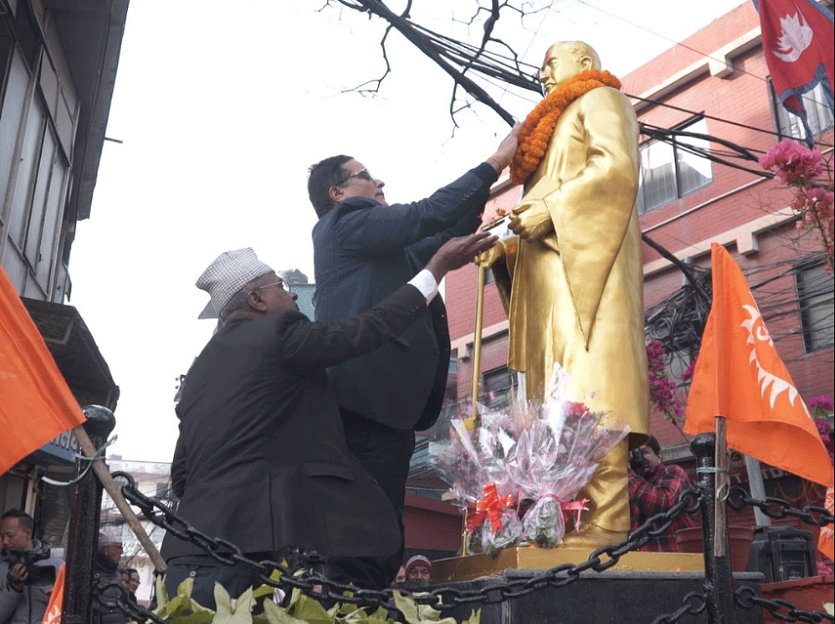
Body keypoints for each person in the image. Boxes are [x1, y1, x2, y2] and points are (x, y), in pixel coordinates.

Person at [161, 236, 496, 605]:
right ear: (256, 299)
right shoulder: (280, 334)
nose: (291, 297)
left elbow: (181, 475)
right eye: (282, 288)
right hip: (240, 562)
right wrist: (436, 269)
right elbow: (370, 329)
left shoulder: (199, 373)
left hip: (183, 556)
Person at [308, 126, 520, 581]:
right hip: (364, 403)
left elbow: (445, 230)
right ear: (338, 192)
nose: (380, 183)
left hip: (387, 410)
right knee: (367, 536)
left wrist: (482, 192)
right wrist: (496, 161)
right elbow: (425, 215)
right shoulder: (346, 222)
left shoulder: (382, 247)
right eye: (367, 176)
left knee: (382, 527)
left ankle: (369, 598)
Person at [478, 40, 650, 549]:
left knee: (593, 386)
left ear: (585, 64)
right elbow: (535, 214)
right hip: (550, 279)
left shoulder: (601, 99)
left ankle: (611, 517)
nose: (543, 75)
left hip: (591, 275)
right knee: (552, 397)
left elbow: (616, 167)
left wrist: (550, 209)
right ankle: (560, 516)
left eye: (552, 64)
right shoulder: (547, 137)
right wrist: (506, 251)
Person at [628, 436, 695, 552]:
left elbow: (665, 503)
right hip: (640, 561)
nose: (639, 458)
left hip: (674, 556)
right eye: (634, 454)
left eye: (644, 452)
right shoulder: (628, 483)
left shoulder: (673, 471)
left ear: (659, 456)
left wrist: (626, 475)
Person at [0, 510, 60, 624]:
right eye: (2, 536)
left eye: (10, 536)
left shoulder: (55, 565)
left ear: (28, 533)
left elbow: (69, 609)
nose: (6, 541)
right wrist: (13, 588)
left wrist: (54, 596)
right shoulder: (2, 569)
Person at [92, 529, 126, 624]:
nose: (121, 552)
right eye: (118, 547)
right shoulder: (92, 574)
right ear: (106, 550)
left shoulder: (117, 575)